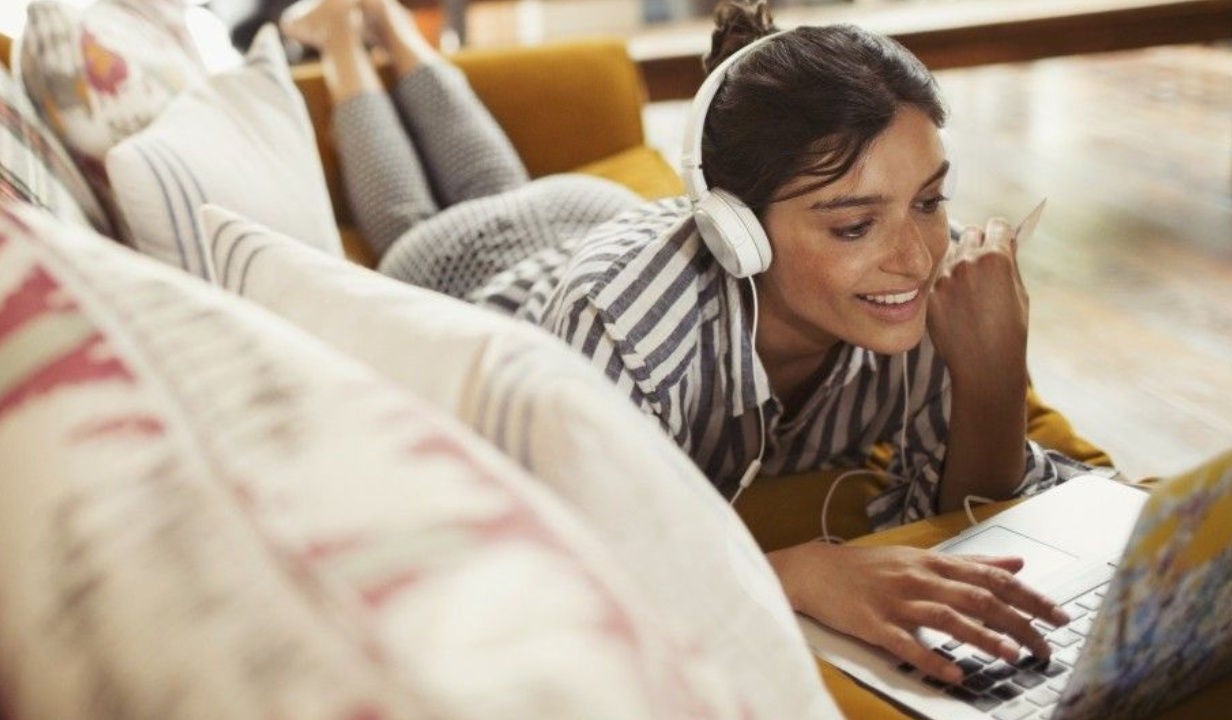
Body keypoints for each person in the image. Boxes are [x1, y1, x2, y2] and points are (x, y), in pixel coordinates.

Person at [282, 0, 1108, 685]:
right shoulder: (624, 330)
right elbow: (565, 568)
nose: (919, 257)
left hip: (585, 212)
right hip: (478, 270)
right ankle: (348, 44)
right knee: (415, 217)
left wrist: (994, 370)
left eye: (929, 200)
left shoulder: (931, 277)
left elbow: (954, 510)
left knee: (501, 176)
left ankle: (390, 26)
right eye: (856, 223)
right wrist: (796, 571)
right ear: (735, 229)